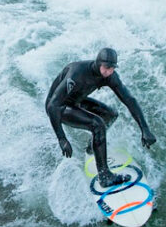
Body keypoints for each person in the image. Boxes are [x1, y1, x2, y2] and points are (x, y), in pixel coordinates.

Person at [46, 48, 157, 188]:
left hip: (76, 102)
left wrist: (145, 129)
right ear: (98, 64)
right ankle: (104, 176)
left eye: (112, 68)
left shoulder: (109, 75)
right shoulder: (77, 74)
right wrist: (61, 138)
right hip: (58, 108)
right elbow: (53, 105)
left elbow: (129, 99)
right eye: (106, 68)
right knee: (98, 124)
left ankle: (93, 146)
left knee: (110, 115)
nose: (109, 72)